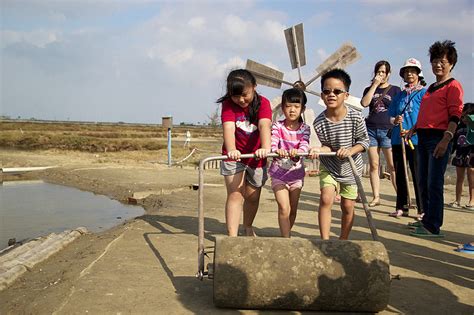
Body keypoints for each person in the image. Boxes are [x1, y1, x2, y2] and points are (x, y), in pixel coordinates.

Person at [408, 40, 464, 238]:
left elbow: (455, 114)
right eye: (434, 61)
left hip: (439, 138)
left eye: (442, 61)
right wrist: (414, 128)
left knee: (434, 182)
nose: (437, 65)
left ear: (451, 64)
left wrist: (446, 139)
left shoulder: (454, 86)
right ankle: (426, 219)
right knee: (422, 180)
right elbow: (425, 112)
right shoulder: (430, 87)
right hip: (422, 137)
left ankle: (433, 226)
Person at [309, 69, 369, 240]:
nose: (332, 95)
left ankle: (343, 240)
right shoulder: (319, 122)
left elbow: (364, 142)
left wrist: (350, 150)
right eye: (327, 91)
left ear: (346, 95)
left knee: (347, 206)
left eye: (337, 91)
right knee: (326, 199)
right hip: (330, 166)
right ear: (322, 95)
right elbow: (327, 146)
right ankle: (325, 241)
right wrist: (319, 150)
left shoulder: (356, 117)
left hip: (351, 168)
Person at [217, 69, 272, 237]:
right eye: (235, 96)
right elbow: (228, 127)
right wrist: (232, 150)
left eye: (244, 95)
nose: (240, 100)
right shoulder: (228, 104)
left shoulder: (263, 103)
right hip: (235, 156)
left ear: (254, 87)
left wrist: (266, 147)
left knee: (252, 196)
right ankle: (232, 236)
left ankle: (247, 226)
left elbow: (264, 125)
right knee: (235, 194)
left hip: (257, 156)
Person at [388, 58, 427, 218]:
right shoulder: (400, 95)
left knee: (418, 174)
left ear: (418, 73)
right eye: (406, 71)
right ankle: (402, 207)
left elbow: (426, 116)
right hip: (398, 139)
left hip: (415, 140)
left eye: (412, 71)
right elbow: (391, 114)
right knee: (400, 173)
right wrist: (395, 120)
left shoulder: (424, 93)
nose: (409, 74)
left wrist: (413, 130)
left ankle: (422, 209)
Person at [268, 88, 310, 237]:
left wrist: (298, 152)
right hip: (278, 174)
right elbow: (273, 142)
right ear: (283, 107)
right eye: (288, 106)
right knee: (284, 208)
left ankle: (286, 234)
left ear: (302, 109)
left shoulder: (305, 128)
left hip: (296, 176)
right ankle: (286, 239)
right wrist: (275, 149)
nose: (292, 110)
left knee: (293, 209)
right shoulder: (277, 126)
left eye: (296, 106)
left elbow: (305, 144)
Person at [361, 61, 400, 207]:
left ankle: (400, 197)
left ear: (389, 74)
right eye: (379, 71)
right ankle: (376, 197)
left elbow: (399, 109)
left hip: (388, 130)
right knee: (374, 165)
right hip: (370, 129)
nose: (381, 74)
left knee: (392, 165)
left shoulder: (395, 90)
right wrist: (374, 85)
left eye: (384, 72)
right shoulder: (369, 89)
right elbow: (364, 104)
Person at [448, 103, 474, 209]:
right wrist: (450, 153)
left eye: (467, 116)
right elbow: (454, 141)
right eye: (462, 116)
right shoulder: (459, 126)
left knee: (471, 178)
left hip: (471, 154)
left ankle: (472, 201)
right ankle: (457, 200)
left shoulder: (472, 127)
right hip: (460, 154)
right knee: (460, 178)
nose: (464, 119)